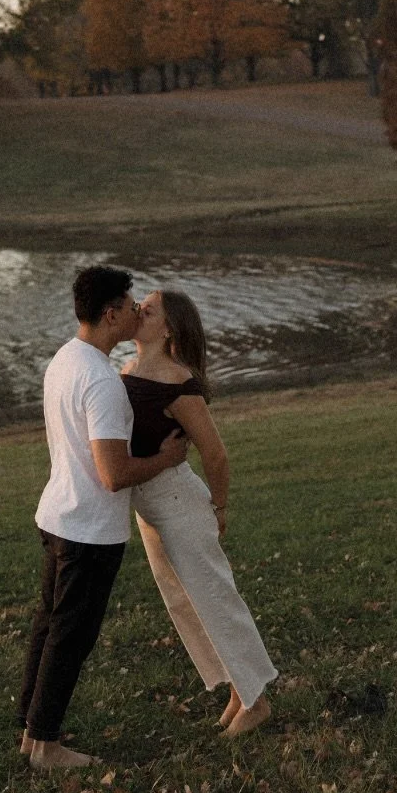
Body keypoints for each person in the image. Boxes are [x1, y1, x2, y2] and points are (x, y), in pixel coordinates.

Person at [19, 265, 188, 771]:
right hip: (88, 529)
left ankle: (31, 733)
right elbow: (113, 475)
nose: (139, 312)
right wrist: (168, 459)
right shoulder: (103, 381)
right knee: (70, 636)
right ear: (110, 314)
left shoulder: (64, 360)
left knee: (49, 628)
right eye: (132, 306)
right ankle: (46, 746)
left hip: (57, 515)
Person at [123, 289, 276, 736]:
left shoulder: (178, 382)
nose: (138, 311)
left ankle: (258, 699)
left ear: (168, 329)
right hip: (148, 508)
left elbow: (216, 454)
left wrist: (220, 507)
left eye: (148, 310)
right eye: (138, 306)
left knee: (214, 600)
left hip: (178, 504)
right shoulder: (127, 370)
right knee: (184, 603)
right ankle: (237, 689)